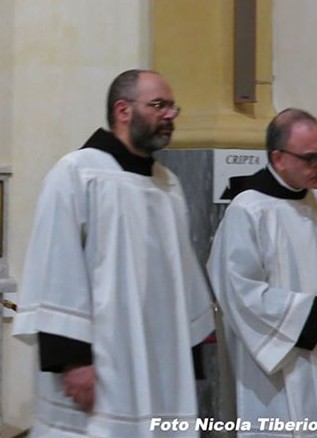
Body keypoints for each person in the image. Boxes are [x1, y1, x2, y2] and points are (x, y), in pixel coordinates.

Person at [13, 69, 214, 437]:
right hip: (100, 366)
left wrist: (190, 363)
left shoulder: (168, 185)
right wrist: (72, 361)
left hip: (157, 369)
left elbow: (182, 282)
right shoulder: (77, 173)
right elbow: (56, 268)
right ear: (123, 110)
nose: (169, 115)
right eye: (158, 105)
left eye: (173, 107)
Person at [208, 108, 317, 433]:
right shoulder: (249, 210)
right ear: (279, 157)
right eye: (310, 158)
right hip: (276, 368)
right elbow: (238, 290)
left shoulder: (313, 203)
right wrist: (308, 315)